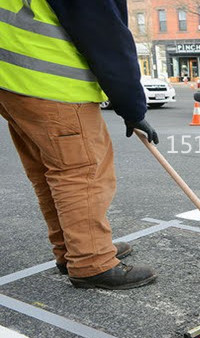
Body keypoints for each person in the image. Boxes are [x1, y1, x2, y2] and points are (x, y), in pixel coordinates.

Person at [0, 0, 159, 289]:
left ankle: (72, 251)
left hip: (12, 82)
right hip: (51, 82)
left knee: (52, 173)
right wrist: (132, 109)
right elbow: (105, 35)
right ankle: (91, 261)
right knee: (83, 173)